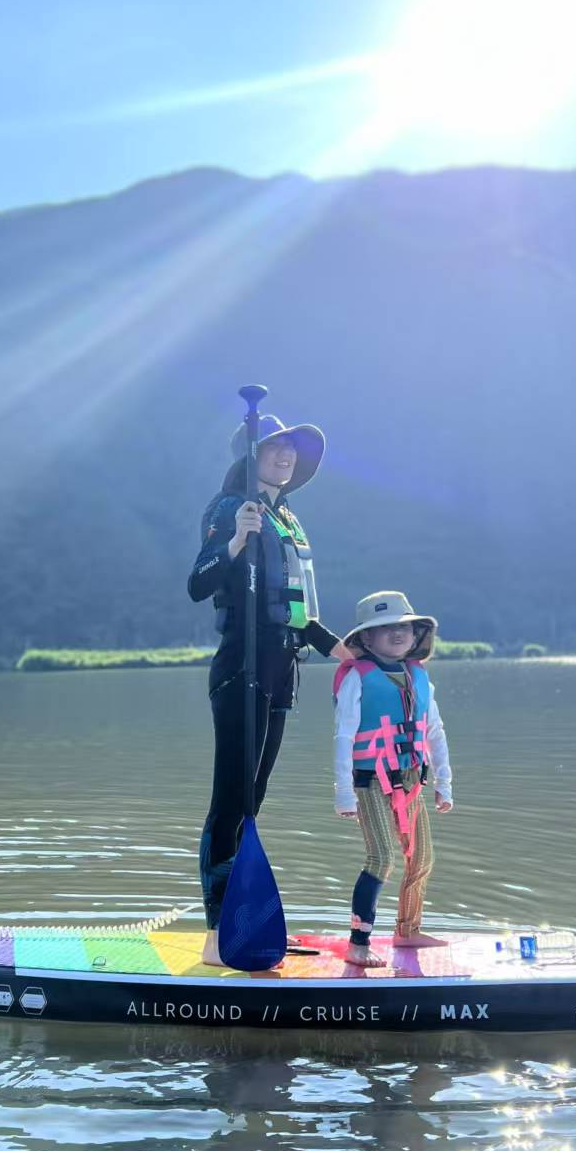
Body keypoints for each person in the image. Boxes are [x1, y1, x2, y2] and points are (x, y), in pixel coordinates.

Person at [188, 413, 352, 965]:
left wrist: (347, 653)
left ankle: (240, 916)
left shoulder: (288, 519)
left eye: (291, 451)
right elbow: (199, 582)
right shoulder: (229, 507)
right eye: (274, 448)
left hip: (283, 669)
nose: (285, 456)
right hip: (242, 666)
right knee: (231, 800)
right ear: (250, 454)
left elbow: (300, 611)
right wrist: (236, 540)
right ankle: (216, 933)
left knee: (254, 798)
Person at [332, 592, 453, 966]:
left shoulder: (419, 677)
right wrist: (343, 795)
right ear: (366, 639)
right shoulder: (357, 678)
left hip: (411, 781)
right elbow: (344, 736)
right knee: (381, 857)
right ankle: (358, 942)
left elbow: (434, 731)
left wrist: (444, 783)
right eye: (385, 628)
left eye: (403, 626)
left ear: (415, 633)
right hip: (371, 782)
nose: (397, 633)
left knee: (422, 858)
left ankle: (408, 930)